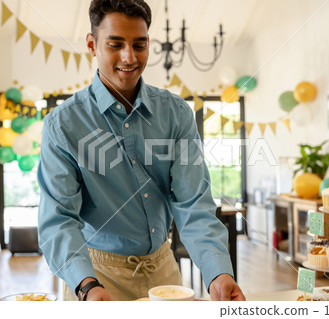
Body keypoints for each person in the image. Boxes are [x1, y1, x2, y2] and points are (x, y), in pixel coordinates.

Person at [38, 0, 245, 301]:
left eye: (139, 44)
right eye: (115, 44)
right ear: (92, 44)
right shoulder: (63, 124)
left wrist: (218, 272)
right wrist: (86, 287)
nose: (129, 57)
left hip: (164, 273)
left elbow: (193, 204)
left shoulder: (176, 114)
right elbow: (58, 220)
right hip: (96, 279)